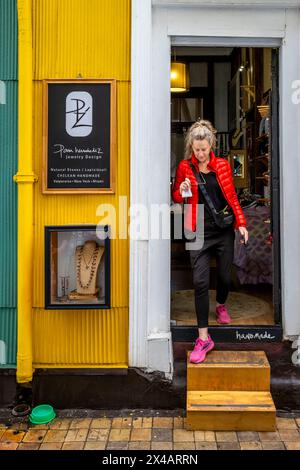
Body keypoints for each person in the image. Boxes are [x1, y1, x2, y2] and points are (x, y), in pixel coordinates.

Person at [172, 120, 249, 363]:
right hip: (197, 230)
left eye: (204, 149)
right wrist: (183, 188)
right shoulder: (185, 167)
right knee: (200, 282)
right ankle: (203, 338)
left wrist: (242, 223)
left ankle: (221, 304)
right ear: (191, 148)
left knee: (225, 277)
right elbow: (176, 195)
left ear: (211, 145)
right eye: (197, 150)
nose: (201, 154)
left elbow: (232, 197)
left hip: (223, 230)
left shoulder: (224, 166)